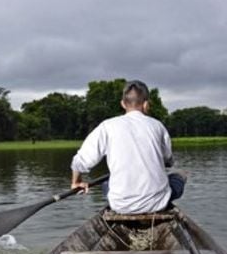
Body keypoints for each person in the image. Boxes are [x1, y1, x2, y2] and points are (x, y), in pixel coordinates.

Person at [70, 79, 186, 214]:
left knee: (106, 184)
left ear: (123, 104)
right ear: (146, 104)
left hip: (120, 206)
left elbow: (80, 162)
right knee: (180, 175)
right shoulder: (158, 126)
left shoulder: (107, 126)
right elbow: (169, 161)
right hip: (157, 204)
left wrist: (76, 182)